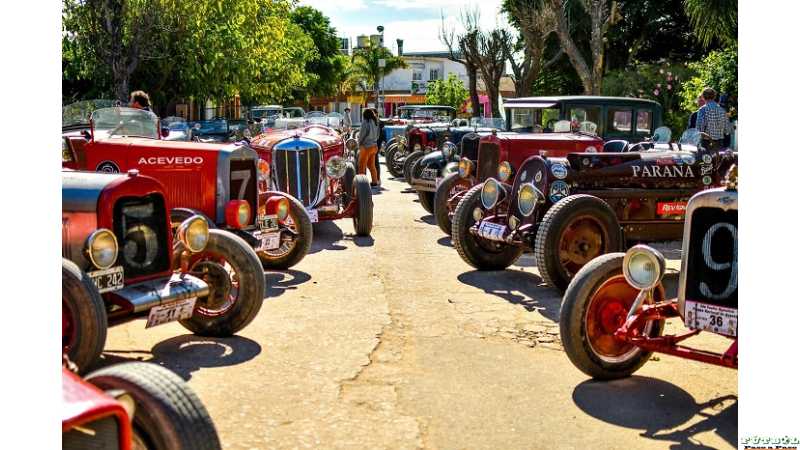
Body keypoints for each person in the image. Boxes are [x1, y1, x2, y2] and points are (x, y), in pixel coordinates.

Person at [358, 108, 380, 187]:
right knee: (372, 165)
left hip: (366, 146)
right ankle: (374, 181)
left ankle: (362, 184)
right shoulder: (375, 122)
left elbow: (362, 135)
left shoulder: (365, 122)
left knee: (361, 165)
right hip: (374, 146)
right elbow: (378, 135)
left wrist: (359, 143)